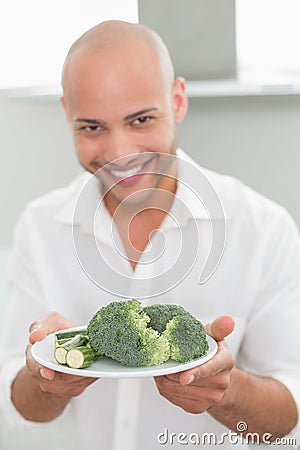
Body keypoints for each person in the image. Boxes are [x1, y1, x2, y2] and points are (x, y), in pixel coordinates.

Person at [0, 20, 299, 450]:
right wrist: (43, 379)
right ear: (67, 113)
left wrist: (226, 390)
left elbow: (288, 418)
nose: (120, 154)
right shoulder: (38, 225)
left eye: (141, 119)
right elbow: (19, 400)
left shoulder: (265, 229)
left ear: (177, 101)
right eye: (91, 127)